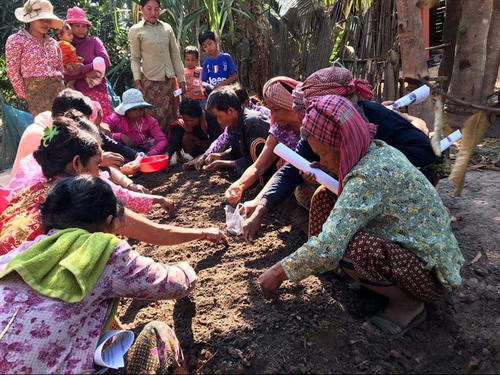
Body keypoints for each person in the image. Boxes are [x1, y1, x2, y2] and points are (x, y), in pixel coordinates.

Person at [258, 95, 464, 338]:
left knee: (356, 248)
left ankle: (409, 306)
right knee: (325, 196)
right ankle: (354, 276)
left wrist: (278, 272)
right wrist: (330, 167)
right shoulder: (372, 150)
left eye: (324, 155)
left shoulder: (368, 176)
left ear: (343, 146)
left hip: (431, 275)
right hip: (410, 250)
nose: (320, 161)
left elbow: (328, 246)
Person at [0, 175, 195, 373]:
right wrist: (187, 270)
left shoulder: (21, 254)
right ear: (110, 220)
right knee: (158, 333)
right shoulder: (100, 251)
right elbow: (173, 285)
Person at [240, 66, 438, 242]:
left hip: (402, 189)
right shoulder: (317, 127)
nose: (306, 118)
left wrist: (344, 167)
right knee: (314, 195)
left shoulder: (375, 117)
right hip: (363, 189)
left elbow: (423, 153)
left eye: (310, 111)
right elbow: (292, 168)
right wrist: (261, 209)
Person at [0, 117, 226, 255]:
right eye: (97, 165)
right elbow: (155, 232)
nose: (100, 173)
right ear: (77, 163)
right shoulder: (86, 198)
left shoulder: (29, 190)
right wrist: (204, 232)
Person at [225, 77, 302, 204]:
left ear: (291, 105)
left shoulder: (313, 127)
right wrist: (239, 185)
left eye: (277, 110)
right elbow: (258, 166)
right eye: (271, 110)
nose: (273, 116)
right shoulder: (279, 129)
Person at [128, 0, 186, 131]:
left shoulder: (167, 28)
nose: (153, 12)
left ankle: (169, 149)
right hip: (150, 83)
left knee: (172, 116)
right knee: (152, 119)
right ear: (141, 9)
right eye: (149, 8)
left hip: (170, 82)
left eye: (156, 9)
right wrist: (137, 82)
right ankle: (154, 149)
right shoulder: (136, 30)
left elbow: (175, 56)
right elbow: (135, 59)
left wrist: (181, 79)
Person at [5, 0, 64, 116]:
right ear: (30, 20)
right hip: (35, 93)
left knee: (63, 126)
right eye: (41, 19)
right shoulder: (16, 40)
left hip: (58, 90)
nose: (45, 23)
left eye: (48, 20)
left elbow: (60, 68)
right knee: (44, 129)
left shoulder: (53, 43)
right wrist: (26, 94)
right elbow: (13, 71)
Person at [193, 87, 270, 175]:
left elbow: (259, 159)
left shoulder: (252, 124)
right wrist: (222, 155)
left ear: (230, 111)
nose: (218, 121)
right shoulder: (232, 124)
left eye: (219, 116)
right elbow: (239, 150)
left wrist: (226, 164)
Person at [63, 7, 112, 117]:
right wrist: (88, 72)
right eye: (77, 26)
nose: (81, 29)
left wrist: (82, 70)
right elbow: (64, 74)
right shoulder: (64, 47)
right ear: (69, 27)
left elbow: (105, 61)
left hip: (98, 91)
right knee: (83, 128)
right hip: (77, 94)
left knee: (103, 124)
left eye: (84, 26)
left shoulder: (94, 41)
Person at [104, 89, 167, 156]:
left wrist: (150, 154)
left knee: (154, 142)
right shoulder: (114, 118)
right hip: (119, 151)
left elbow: (162, 140)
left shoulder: (150, 121)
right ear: (126, 110)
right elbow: (101, 133)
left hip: (142, 151)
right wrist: (120, 136)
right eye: (134, 109)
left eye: (141, 108)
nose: (138, 112)